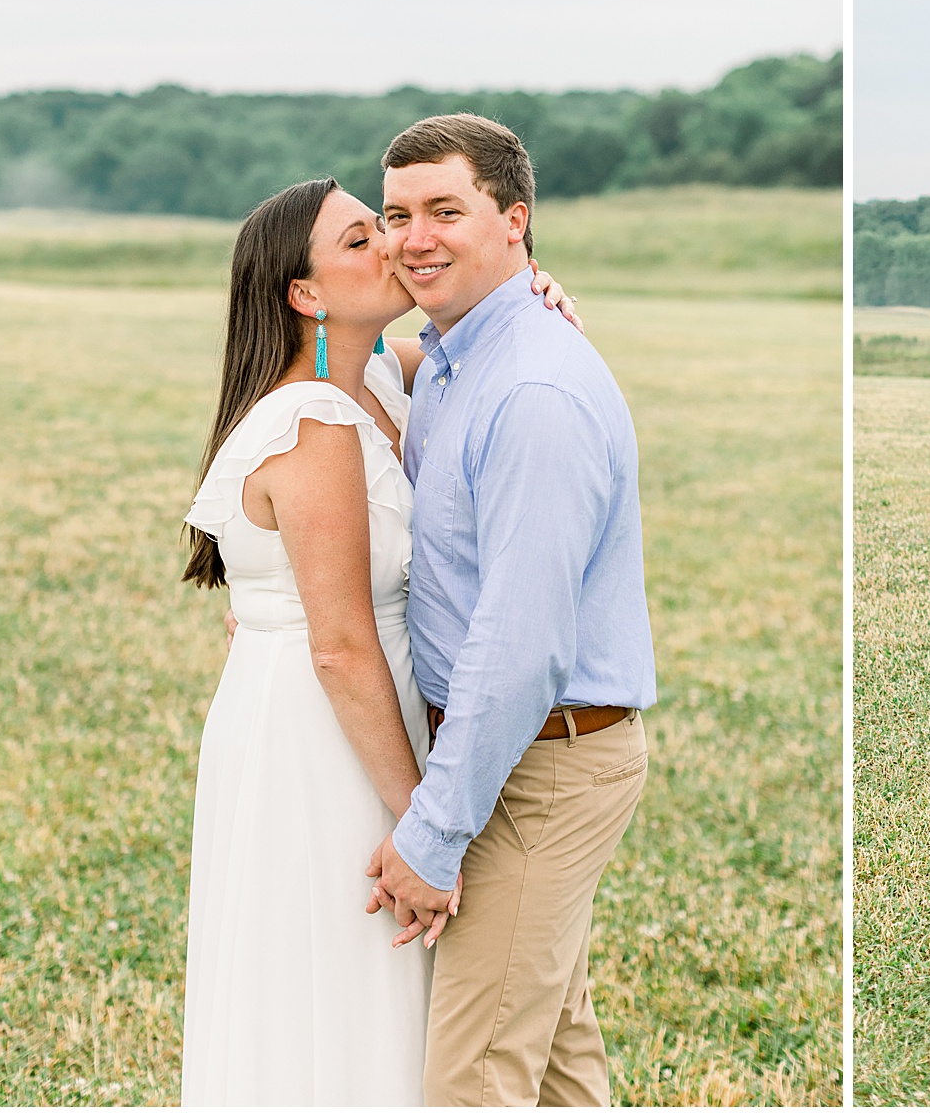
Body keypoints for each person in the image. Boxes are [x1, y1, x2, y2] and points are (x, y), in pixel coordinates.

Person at [178, 175, 576, 1105]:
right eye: (362, 240)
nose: (394, 246)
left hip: (368, 703)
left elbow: (466, 333)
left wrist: (535, 292)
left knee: (386, 982)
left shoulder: (374, 380)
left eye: (384, 225)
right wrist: (421, 827)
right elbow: (341, 647)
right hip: (325, 728)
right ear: (307, 296)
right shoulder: (311, 423)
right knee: (343, 962)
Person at [362, 114, 656, 1107]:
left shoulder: (531, 385)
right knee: (558, 1058)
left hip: (540, 765)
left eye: (447, 209)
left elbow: (521, 644)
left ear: (514, 220)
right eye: (396, 215)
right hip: (507, 753)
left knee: (473, 1080)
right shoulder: (450, 357)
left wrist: (432, 832)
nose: (415, 237)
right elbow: (318, 364)